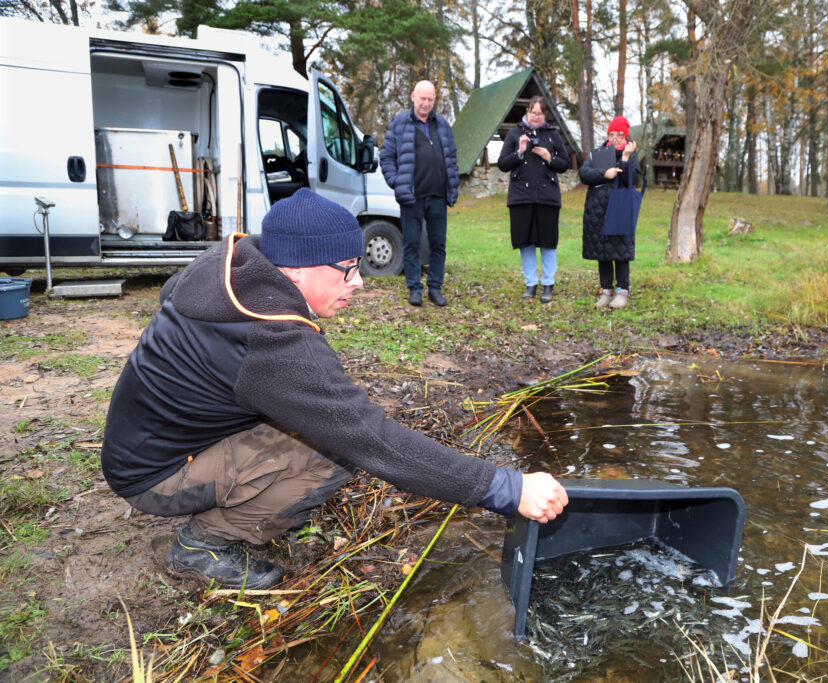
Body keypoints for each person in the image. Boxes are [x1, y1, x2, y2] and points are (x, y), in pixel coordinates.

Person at [100, 189, 568, 589]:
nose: (359, 282)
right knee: (336, 454)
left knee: (328, 431)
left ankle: (238, 495)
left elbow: (178, 303)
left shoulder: (234, 270)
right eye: (347, 268)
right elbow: (372, 441)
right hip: (155, 474)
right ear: (298, 269)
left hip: (147, 442)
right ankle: (203, 543)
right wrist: (505, 488)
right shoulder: (270, 339)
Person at [380, 81, 459, 308]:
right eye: (422, 98)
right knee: (411, 244)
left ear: (435, 100)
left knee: (438, 245)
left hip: (438, 196)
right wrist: (397, 182)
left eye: (430, 100)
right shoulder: (400, 123)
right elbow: (386, 157)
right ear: (413, 96)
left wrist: (451, 188)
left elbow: (452, 159)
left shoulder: (442, 125)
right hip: (412, 197)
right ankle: (414, 288)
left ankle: (435, 288)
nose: (426, 103)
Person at [496, 96, 570, 303]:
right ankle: (530, 284)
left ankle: (548, 284)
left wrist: (549, 157)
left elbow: (564, 164)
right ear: (527, 111)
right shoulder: (514, 133)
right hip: (521, 197)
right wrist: (519, 152)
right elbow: (502, 164)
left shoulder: (553, 135)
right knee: (525, 242)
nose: (536, 117)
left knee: (548, 242)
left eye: (540, 113)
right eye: (533, 112)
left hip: (547, 197)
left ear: (545, 115)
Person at [578, 116, 640, 310]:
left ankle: (622, 290)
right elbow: (584, 174)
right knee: (602, 251)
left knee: (620, 251)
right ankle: (606, 290)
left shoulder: (630, 155)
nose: (614, 138)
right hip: (598, 209)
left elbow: (632, 181)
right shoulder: (599, 154)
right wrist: (604, 174)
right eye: (611, 134)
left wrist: (625, 159)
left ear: (625, 137)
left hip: (620, 209)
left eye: (619, 135)